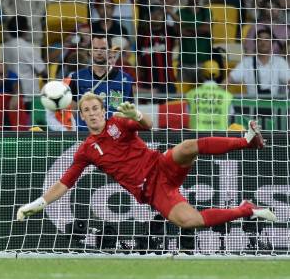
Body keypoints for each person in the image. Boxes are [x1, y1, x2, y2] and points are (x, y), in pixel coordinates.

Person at [17, 92, 277, 230]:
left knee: (187, 147)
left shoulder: (118, 123)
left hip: (160, 164)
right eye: (87, 111)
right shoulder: (86, 151)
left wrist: (138, 114)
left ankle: (246, 140)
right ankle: (247, 209)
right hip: (153, 191)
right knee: (190, 221)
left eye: (95, 108)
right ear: (82, 117)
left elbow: (148, 124)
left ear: (102, 110)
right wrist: (38, 203)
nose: (92, 113)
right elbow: (65, 182)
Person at [69, 34, 134, 131]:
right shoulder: (77, 77)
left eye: (103, 48)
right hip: (86, 137)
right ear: (90, 51)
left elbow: (129, 112)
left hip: (114, 137)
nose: (99, 52)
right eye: (95, 49)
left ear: (110, 52)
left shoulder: (125, 79)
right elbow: (73, 111)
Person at [230, 28, 290, 98]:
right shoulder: (246, 62)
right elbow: (230, 79)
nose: (263, 42)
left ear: (272, 43)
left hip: (275, 106)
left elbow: (288, 81)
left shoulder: (280, 62)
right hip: (252, 105)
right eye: (259, 40)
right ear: (255, 43)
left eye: (267, 39)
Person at [186, 60, 233, 131]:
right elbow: (231, 116)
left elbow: (187, 114)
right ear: (219, 74)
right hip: (220, 138)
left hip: (196, 137)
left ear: (202, 74)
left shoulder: (192, 94)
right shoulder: (227, 95)